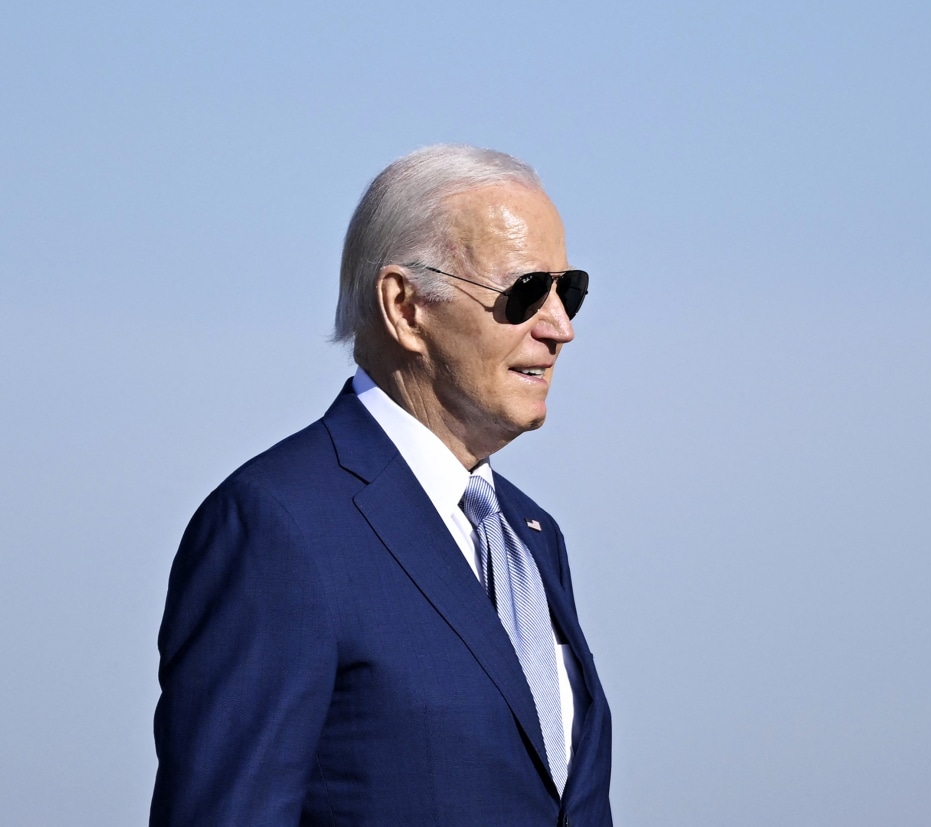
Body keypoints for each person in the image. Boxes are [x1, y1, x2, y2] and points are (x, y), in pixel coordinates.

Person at [150, 145, 612, 826]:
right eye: (524, 293)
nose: (559, 328)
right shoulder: (278, 525)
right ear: (405, 307)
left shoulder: (530, 536)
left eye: (566, 290)